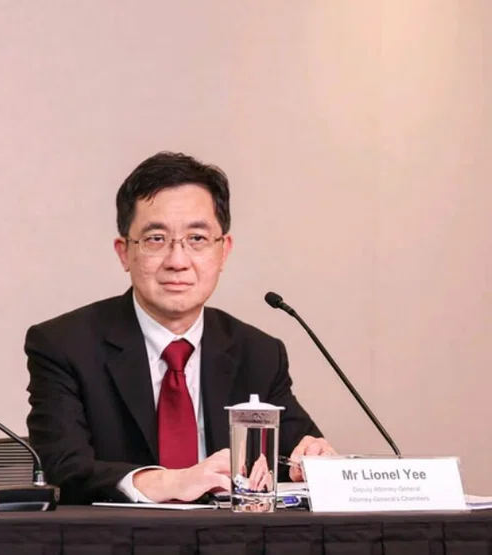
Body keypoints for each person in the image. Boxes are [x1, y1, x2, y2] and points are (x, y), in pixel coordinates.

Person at [24, 151, 335, 505]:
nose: (177, 261)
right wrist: (167, 482)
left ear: (223, 251)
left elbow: (294, 456)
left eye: (197, 239)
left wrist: (310, 460)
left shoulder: (258, 353)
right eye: (156, 239)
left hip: (231, 539)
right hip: (118, 537)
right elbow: (62, 468)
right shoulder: (65, 345)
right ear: (124, 252)